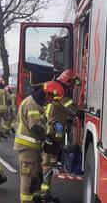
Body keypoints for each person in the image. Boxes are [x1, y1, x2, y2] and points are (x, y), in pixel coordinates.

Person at [14, 81, 64, 203]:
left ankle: (36, 200)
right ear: (47, 94)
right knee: (28, 179)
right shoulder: (32, 104)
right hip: (27, 149)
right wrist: (50, 132)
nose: (50, 102)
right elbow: (35, 127)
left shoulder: (36, 103)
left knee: (36, 179)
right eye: (51, 98)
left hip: (33, 148)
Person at [41, 69, 83, 200]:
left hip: (51, 134)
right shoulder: (62, 97)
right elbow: (76, 112)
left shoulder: (56, 94)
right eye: (71, 84)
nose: (72, 87)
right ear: (66, 82)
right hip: (51, 135)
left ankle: (43, 194)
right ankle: (43, 196)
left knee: (47, 164)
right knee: (47, 165)